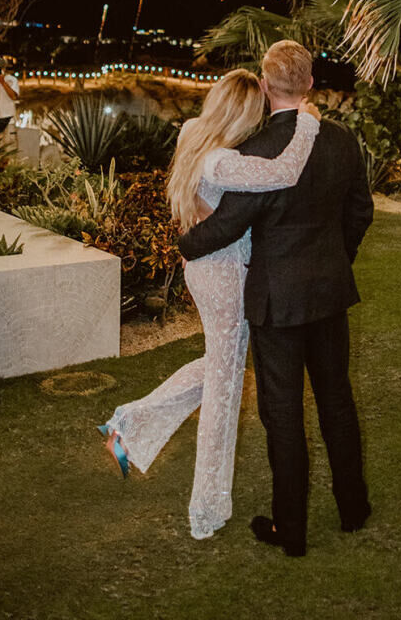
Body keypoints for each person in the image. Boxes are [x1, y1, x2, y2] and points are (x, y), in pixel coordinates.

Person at [98, 67, 320, 541]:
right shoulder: (221, 162)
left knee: (220, 368)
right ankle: (207, 507)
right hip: (223, 276)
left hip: (206, 273)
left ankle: (129, 424)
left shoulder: (192, 135)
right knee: (224, 391)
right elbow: (285, 172)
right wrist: (307, 121)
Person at [179, 40, 373, 558]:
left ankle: (292, 530)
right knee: (337, 401)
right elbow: (360, 212)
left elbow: (227, 224)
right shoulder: (341, 139)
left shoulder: (258, 149)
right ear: (309, 84)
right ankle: (354, 509)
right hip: (329, 294)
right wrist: (337, 260)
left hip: (276, 300)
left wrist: (183, 243)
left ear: (266, 87)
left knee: (283, 416)